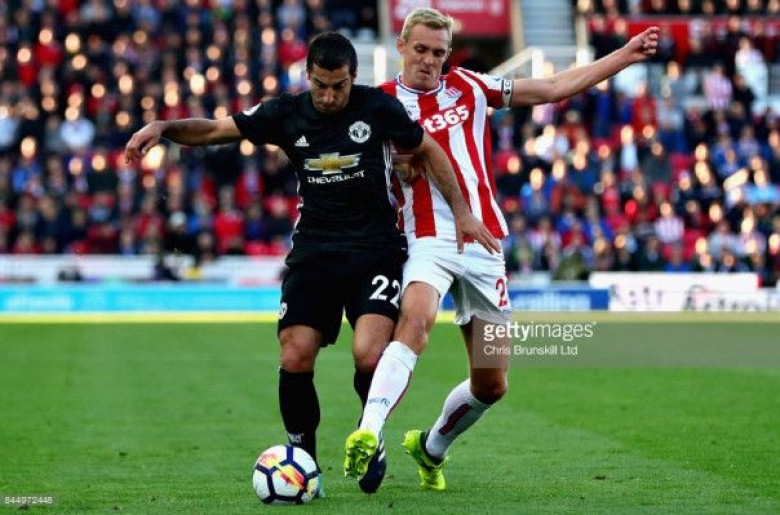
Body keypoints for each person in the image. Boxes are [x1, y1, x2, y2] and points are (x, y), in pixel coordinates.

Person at [125, 32, 497, 496]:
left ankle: (371, 432)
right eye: (320, 85)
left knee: (369, 353)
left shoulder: (377, 108)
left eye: (338, 86)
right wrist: (163, 126)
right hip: (314, 252)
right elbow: (216, 130)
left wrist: (462, 211)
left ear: (353, 78)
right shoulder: (286, 112)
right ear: (308, 76)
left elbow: (428, 149)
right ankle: (303, 464)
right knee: (295, 354)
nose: (328, 96)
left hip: (375, 250)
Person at [343, 7, 659, 492]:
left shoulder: (470, 86)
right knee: (417, 320)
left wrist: (624, 55)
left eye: (438, 53)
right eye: (420, 49)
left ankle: (431, 448)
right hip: (427, 239)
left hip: (484, 243)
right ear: (401, 46)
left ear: (448, 55)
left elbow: (551, 88)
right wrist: (394, 170)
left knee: (491, 385)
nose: (428, 60)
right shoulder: (378, 104)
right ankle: (369, 431)